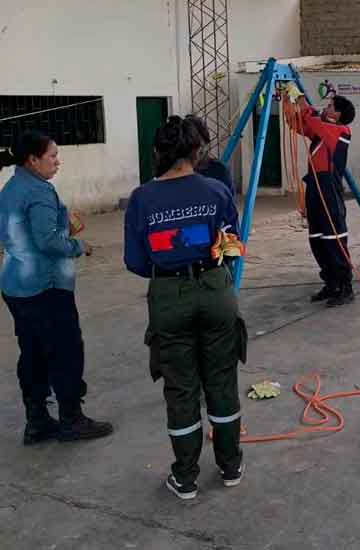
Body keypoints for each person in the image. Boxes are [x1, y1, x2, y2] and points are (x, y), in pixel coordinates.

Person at [124, 115, 246, 499]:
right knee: (222, 380)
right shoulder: (215, 191)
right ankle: (230, 466)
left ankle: (186, 477)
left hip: (168, 295)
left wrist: (168, 268)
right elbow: (232, 245)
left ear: (158, 153)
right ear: (196, 152)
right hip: (215, 290)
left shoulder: (142, 199)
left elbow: (135, 261)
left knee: (181, 388)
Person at [0, 131, 113, 445]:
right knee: (65, 352)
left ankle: (37, 421)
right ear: (32, 160)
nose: (57, 161)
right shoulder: (39, 191)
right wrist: (79, 245)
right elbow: (47, 241)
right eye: (52, 156)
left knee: (33, 353)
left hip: (15, 285)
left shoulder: (10, 188)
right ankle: (71, 420)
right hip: (44, 286)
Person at [284, 85, 357, 307]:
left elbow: (313, 120)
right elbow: (297, 123)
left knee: (333, 238)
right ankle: (331, 283)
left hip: (329, 190)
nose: (326, 107)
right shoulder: (322, 131)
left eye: (330, 106)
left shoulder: (341, 132)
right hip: (315, 187)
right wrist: (289, 101)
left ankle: (345, 286)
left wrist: (303, 99)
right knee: (317, 238)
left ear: (338, 114)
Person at [186, 115, 235, 197]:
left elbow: (228, 205)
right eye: (190, 146)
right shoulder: (176, 172)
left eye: (199, 147)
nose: (195, 153)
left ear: (207, 144)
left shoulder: (220, 171)